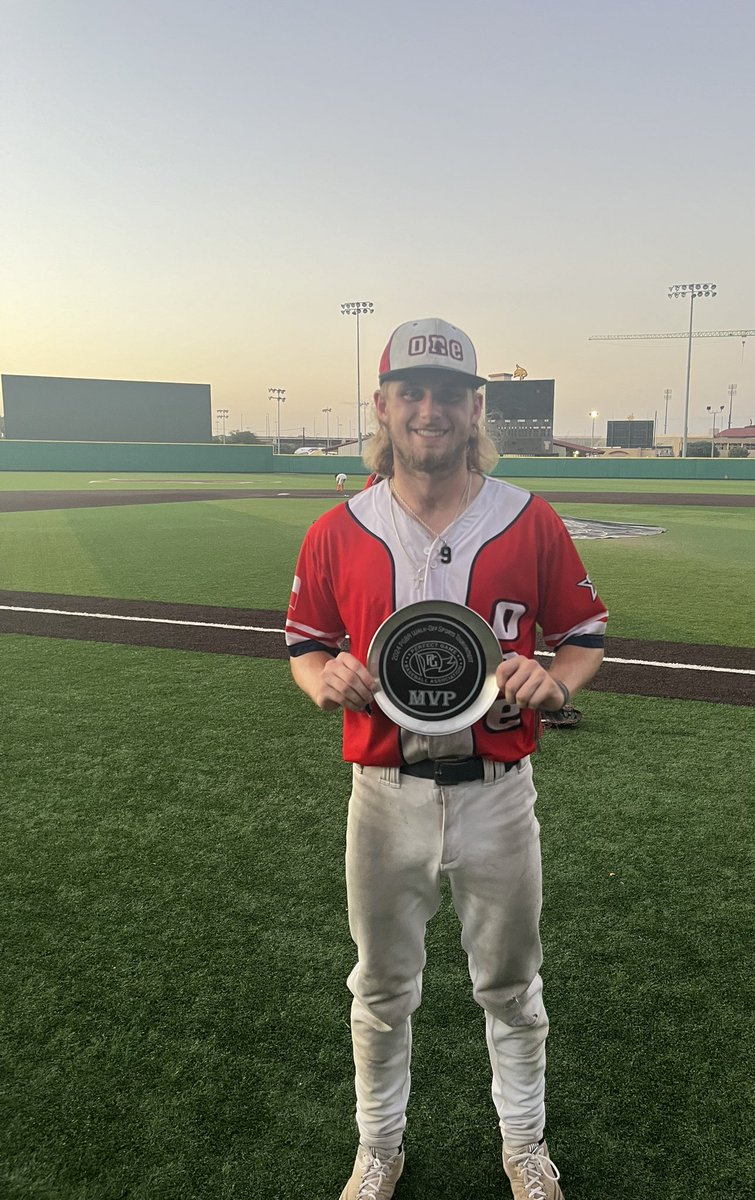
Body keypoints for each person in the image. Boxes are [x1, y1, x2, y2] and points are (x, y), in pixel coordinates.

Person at [285, 317, 608, 1200]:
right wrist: (323, 680)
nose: (429, 410)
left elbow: (583, 635)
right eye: (412, 392)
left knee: (510, 984)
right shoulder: (338, 530)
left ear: (475, 410)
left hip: (497, 789)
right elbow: (306, 644)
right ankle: (378, 1148)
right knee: (381, 986)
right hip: (382, 790)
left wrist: (556, 682)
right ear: (383, 406)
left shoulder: (528, 520)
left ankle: (525, 1145)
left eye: (449, 395)